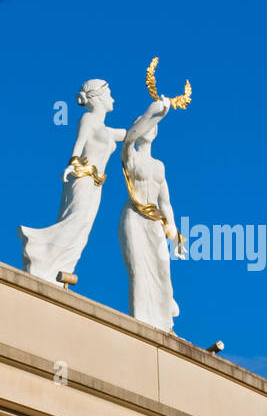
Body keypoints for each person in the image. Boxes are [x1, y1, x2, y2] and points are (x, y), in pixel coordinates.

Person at [18, 79, 125, 285]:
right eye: (109, 93)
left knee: (83, 228)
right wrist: (71, 164)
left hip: (96, 185)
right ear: (98, 97)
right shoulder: (88, 119)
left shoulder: (108, 130)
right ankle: (37, 248)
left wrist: (156, 113)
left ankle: (62, 270)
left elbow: (131, 134)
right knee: (75, 221)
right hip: (82, 177)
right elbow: (79, 144)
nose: (113, 98)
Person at [119, 97, 185, 331]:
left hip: (154, 223)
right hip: (134, 219)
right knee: (138, 271)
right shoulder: (131, 155)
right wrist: (153, 113)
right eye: (146, 124)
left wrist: (176, 236)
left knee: (162, 272)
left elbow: (165, 204)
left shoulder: (159, 166)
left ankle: (164, 324)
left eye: (154, 126)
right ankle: (141, 324)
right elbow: (129, 139)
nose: (150, 128)